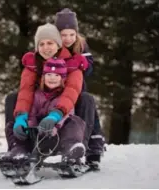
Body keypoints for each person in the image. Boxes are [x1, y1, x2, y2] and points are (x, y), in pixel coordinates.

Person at [4, 23, 95, 161]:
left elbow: (71, 92)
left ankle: (75, 148)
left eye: (50, 43)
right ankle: (18, 147)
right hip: (38, 107)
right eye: (41, 44)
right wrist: (21, 116)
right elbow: (25, 92)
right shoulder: (32, 65)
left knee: (86, 99)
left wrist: (56, 114)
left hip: (63, 111)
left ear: (58, 44)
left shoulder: (72, 63)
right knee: (13, 98)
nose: (46, 48)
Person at [11, 57, 92, 163]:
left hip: (58, 133)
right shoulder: (37, 95)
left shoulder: (64, 96)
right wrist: (30, 128)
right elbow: (32, 114)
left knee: (74, 122)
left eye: (56, 75)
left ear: (63, 79)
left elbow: (67, 114)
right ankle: (19, 149)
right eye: (48, 75)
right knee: (12, 125)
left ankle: (70, 149)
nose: (52, 78)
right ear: (43, 77)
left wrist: (54, 125)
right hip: (39, 134)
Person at [55, 8, 105, 167]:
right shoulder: (53, 46)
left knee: (89, 110)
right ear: (58, 35)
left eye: (71, 34)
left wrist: (83, 64)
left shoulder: (81, 46)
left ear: (76, 33)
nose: (68, 38)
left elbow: (89, 69)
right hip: (59, 91)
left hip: (78, 88)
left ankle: (93, 151)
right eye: (64, 35)